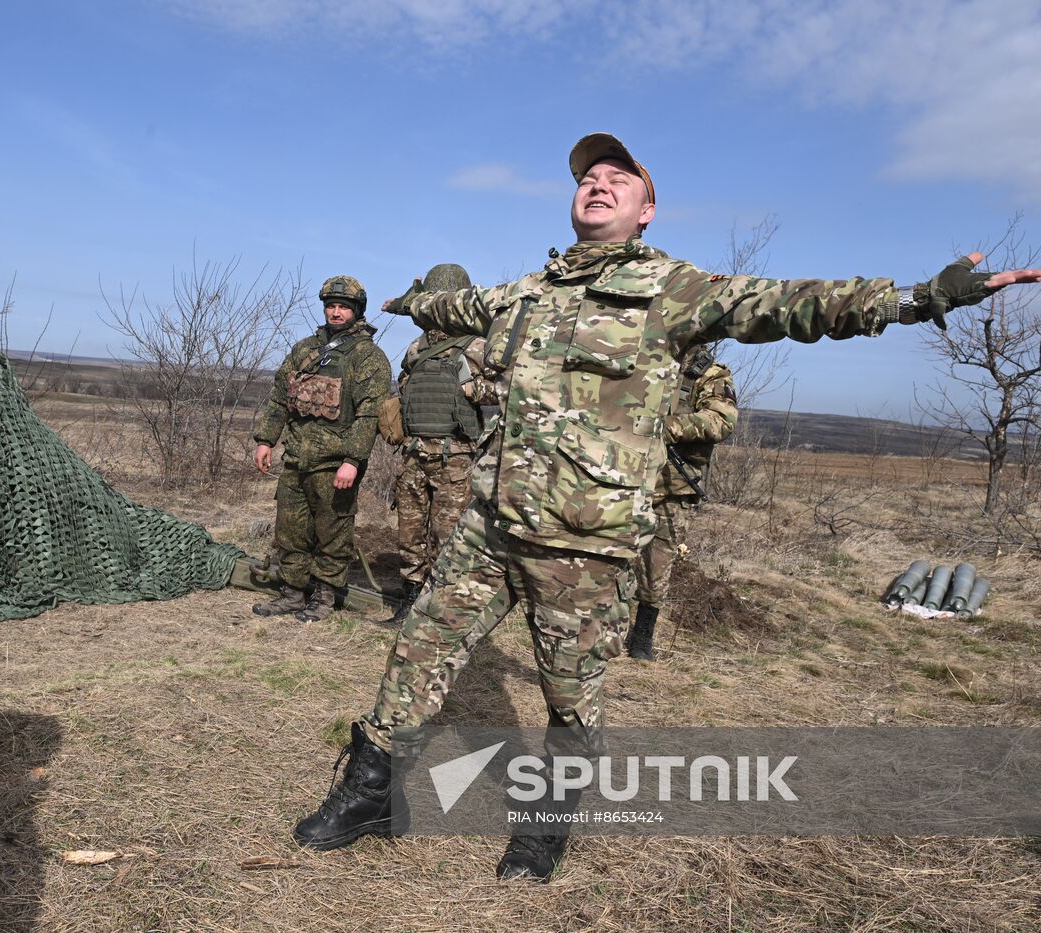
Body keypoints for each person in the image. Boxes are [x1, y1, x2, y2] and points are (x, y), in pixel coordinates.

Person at [289, 132, 1041, 881]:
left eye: (620, 177)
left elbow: (794, 304)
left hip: (584, 541)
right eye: (589, 175)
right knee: (417, 648)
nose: (599, 183)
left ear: (647, 209)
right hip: (490, 525)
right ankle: (370, 793)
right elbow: (458, 304)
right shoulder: (525, 292)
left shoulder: (674, 289)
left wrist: (921, 299)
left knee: (569, 697)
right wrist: (407, 299)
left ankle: (545, 826)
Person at [251, 276, 392, 623]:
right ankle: (293, 594)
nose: (336, 312)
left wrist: (352, 461)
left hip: (334, 464)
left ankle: (324, 598)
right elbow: (279, 397)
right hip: (297, 459)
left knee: (333, 534)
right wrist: (266, 440)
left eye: (343, 306)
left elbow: (369, 413)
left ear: (356, 311)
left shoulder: (367, 357)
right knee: (291, 530)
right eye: (331, 305)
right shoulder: (304, 350)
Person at [390, 263, 501, 624]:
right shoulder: (416, 347)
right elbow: (406, 386)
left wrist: (476, 389)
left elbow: (509, 390)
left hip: (455, 458)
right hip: (414, 454)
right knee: (409, 533)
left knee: (447, 537)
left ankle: (434, 612)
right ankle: (408, 602)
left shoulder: (478, 347)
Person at [625, 346, 738, 660]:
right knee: (609, 555)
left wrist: (666, 427)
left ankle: (642, 638)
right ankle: (604, 629)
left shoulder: (708, 373)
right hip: (624, 477)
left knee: (656, 566)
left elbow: (722, 420)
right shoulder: (639, 357)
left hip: (671, 485)